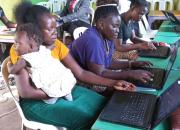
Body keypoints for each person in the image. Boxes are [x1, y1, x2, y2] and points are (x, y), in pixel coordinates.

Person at [9, 2, 135, 130]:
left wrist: (113, 83)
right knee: (89, 118)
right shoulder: (23, 51)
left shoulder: (57, 45)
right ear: (33, 32)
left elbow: (81, 73)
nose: (55, 32)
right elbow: (26, 92)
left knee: (105, 105)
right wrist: (55, 91)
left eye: (55, 26)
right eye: (49, 29)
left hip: (61, 90)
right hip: (37, 101)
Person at [69, 5, 154, 84]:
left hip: (90, 74)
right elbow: (100, 73)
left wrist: (131, 64)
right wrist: (129, 74)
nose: (117, 30)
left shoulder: (107, 37)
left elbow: (108, 62)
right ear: (101, 24)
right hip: (73, 79)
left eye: (118, 27)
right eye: (114, 26)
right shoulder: (93, 40)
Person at [8, 23, 76, 104]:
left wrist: (9, 65)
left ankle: (52, 99)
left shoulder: (24, 59)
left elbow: (12, 70)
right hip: (61, 77)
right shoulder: (42, 49)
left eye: (17, 43)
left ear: (31, 46)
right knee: (59, 81)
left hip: (48, 85)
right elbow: (51, 47)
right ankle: (67, 95)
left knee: (49, 94)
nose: (14, 46)